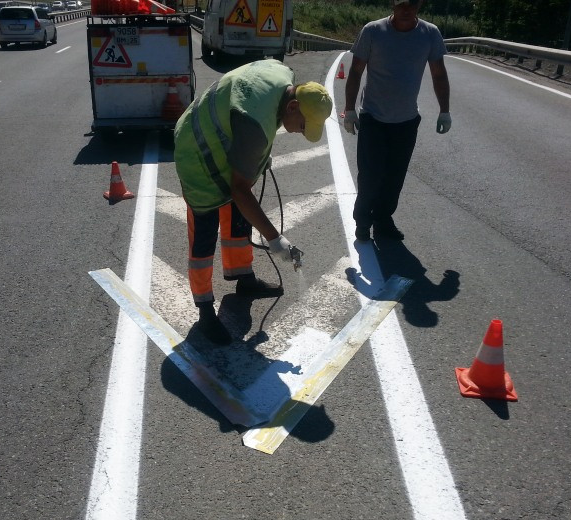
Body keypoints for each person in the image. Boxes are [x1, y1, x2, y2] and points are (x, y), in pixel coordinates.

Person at [174, 59, 332, 345]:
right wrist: (275, 239)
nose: (298, 132)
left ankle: (244, 279)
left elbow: (260, 116)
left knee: (239, 218)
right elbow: (240, 190)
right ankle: (205, 310)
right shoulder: (254, 124)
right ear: (293, 106)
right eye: (302, 126)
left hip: (223, 139)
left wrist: (257, 156)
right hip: (196, 151)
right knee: (204, 235)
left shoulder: (282, 76)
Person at [343, 0, 451, 242]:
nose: (406, 9)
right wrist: (349, 109)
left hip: (406, 121)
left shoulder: (429, 33)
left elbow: (439, 73)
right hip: (373, 117)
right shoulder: (373, 31)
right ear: (393, 4)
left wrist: (445, 110)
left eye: (412, 4)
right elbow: (356, 71)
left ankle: (383, 221)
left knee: (394, 177)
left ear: (419, 4)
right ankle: (362, 222)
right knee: (370, 176)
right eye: (401, 3)